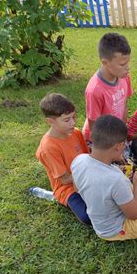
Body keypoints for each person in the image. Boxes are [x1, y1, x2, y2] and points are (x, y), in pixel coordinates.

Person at [35, 93, 91, 225]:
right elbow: (65, 179)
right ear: (50, 122)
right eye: (67, 120)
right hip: (67, 189)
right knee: (87, 217)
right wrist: (91, 176)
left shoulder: (75, 132)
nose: (73, 122)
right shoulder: (47, 148)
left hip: (86, 179)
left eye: (74, 117)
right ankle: (57, 197)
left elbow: (87, 157)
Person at [82, 32, 133, 143]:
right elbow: (94, 126)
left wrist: (122, 135)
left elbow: (123, 106)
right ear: (105, 63)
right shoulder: (94, 90)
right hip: (99, 140)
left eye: (128, 63)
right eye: (122, 64)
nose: (127, 68)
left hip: (116, 134)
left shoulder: (125, 77)